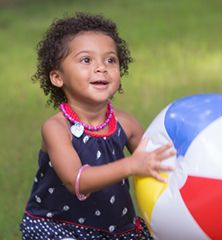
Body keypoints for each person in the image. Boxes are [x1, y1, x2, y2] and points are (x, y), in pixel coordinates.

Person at [20, 12, 176, 240]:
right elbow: (76, 181)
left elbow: (159, 162)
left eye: (110, 60)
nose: (101, 67)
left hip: (116, 230)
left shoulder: (126, 124)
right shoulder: (56, 128)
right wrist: (131, 165)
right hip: (59, 228)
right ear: (57, 77)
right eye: (86, 60)